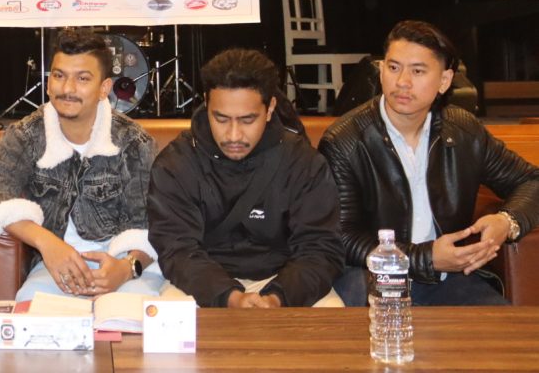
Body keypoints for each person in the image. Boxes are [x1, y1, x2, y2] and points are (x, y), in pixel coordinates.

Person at [319, 20, 539, 306]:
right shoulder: (345, 141)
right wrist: (426, 258)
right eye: (393, 67)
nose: (402, 82)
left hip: (449, 279)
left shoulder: (464, 131)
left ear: (444, 81)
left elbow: (531, 181)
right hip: (372, 277)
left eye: (418, 71)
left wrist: (506, 222)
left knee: (509, 331)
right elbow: (341, 238)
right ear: (381, 70)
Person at [0, 28, 162, 301]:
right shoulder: (28, 134)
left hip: (124, 266)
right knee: (31, 313)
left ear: (104, 88)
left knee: (132, 319)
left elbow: (152, 222)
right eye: (59, 76)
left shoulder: (133, 142)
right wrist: (46, 243)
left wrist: (126, 267)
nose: (68, 89)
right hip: (55, 266)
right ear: (48, 84)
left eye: (83, 78)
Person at [148, 49, 344, 308]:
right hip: (200, 283)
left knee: (330, 327)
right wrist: (230, 297)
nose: (233, 135)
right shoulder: (177, 163)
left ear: (270, 108)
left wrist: (277, 297)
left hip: (287, 281)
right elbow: (177, 250)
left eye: (247, 120)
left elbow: (320, 249)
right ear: (206, 103)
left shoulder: (302, 162)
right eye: (221, 118)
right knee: (170, 329)